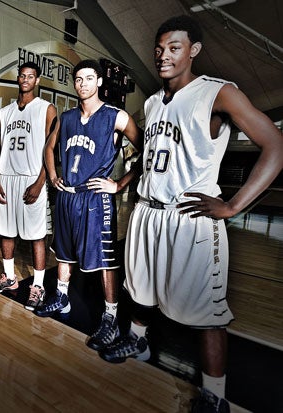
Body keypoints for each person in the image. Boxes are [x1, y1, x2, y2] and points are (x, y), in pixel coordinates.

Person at [98, 16, 283, 413]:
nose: (164, 55)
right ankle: (139, 342)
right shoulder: (150, 102)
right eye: (160, 48)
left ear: (193, 50)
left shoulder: (219, 93)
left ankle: (215, 394)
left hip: (191, 218)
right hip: (149, 213)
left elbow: (275, 145)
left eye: (175, 47)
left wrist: (233, 206)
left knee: (208, 314)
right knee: (142, 291)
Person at [37, 59, 143, 353]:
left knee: (105, 260)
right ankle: (61, 296)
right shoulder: (66, 117)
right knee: (65, 251)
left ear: (99, 82)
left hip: (96, 199)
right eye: (78, 79)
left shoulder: (116, 117)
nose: (82, 83)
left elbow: (147, 149)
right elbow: (49, 147)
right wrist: (54, 175)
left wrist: (120, 184)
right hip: (68, 195)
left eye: (88, 78)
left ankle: (110, 318)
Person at [0, 61, 58, 312]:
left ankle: (37, 286)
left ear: (37, 81)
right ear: (18, 79)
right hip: (6, 177)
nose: (26, 79)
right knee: (6, 231)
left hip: (31, 177)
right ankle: (9, 276)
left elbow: (51, 149)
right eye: (23, 75)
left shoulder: (46, 109)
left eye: (31, 76)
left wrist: (41, 181)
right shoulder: (5, 112)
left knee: (37, 235)